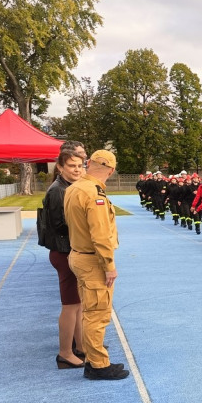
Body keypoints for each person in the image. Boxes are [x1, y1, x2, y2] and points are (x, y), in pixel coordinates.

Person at [63, 149, 129, 381]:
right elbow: (100, 235)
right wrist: (109, 265)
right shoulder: (94, 194)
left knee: (90, 311)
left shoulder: (74, 188)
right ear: (111, 171)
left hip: (79, 254)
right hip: (92, 259)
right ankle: (98, 365)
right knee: (98, 314)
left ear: (89, 163)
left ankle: (94, 358)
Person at [39, 144, 87, 369]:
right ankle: (65, 353)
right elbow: (60, 225)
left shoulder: (67, 186)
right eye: (72, 166)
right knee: (70, 306)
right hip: (64, 251)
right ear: (60, 167)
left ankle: (79, 346)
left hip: (68, 250)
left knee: (76, 305)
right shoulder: (59, 190)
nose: (77, 169)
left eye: (80, 165)